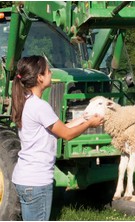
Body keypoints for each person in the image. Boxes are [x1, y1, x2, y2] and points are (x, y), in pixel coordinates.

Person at [11, 55, 104, 221]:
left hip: (25, 178)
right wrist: (89, 124)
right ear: (39, 78)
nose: (51, 74)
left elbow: (62, 128)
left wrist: (85, 117)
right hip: (37, 182)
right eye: (47, 72)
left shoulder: (26, 102)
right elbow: (67, 135)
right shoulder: (40, 106)